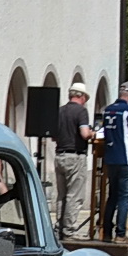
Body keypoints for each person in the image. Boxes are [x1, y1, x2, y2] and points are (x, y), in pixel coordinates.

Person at [102, 81, 128, 242]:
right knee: (124, 197)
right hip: (127, 158)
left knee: (111, 195)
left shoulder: (108, 110)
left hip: (111, 157)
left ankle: (106, 231)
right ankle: (120, 233)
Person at [53, 82, 93, 238]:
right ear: (81, 97)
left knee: (61, 195)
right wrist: (92, 134)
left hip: (60, 155)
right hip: (75, 156)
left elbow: (54, 136)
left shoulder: (60, 111)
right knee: (74, 195)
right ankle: (69, 230)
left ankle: (58, 228)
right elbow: (84, 133)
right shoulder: (81, 111)